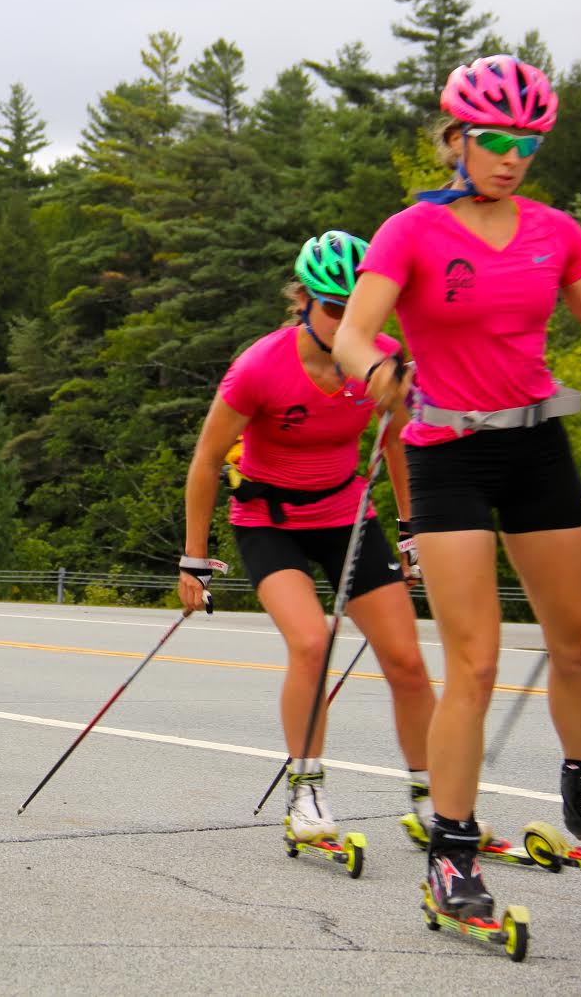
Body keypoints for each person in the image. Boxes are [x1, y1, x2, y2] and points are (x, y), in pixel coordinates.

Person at [334, 55, 581, 921]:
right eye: (494, 139)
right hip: (446, 450)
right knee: (474, 659)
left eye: (528, 142)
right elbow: (354, 335)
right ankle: (450, 851)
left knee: (579, 640)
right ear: (456, 138)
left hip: (538, 443)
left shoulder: (557, 231)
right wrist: (374, 369)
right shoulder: (412, 231)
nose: (511, 156)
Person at [178, 231, 436, 846]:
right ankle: (307, 790)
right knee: (313, 644)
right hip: (271, 524)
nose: (350, 321)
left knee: (406, 662)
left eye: (361, 307)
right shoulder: (260, 367)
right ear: (302, 301)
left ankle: (433, 801)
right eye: (335, 309)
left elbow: (396, 440)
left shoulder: (381, 358)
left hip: (347, 517)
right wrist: (193, 560)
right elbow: (206, 460)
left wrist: (410, 529)